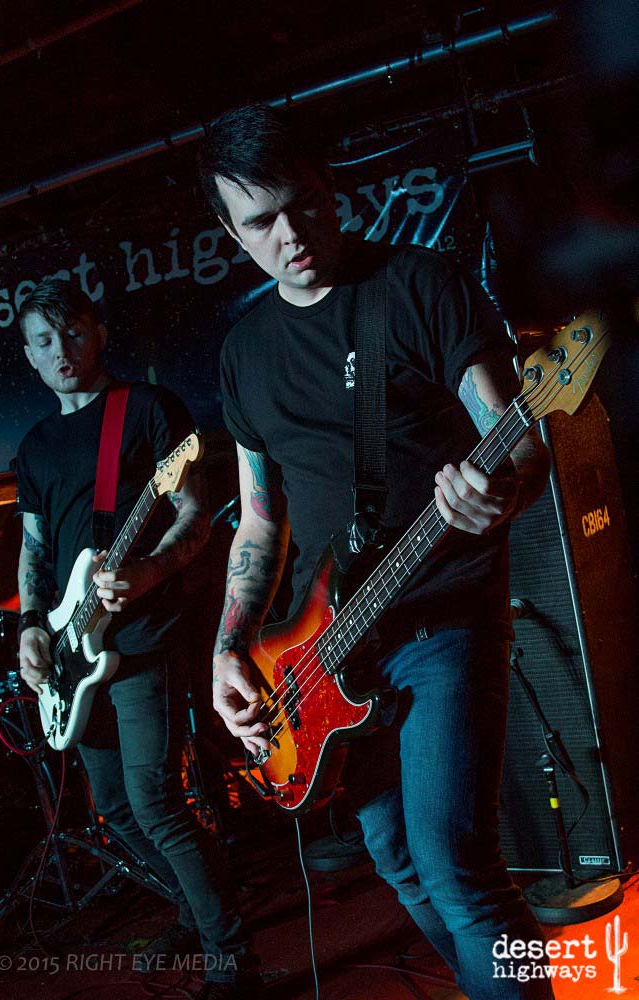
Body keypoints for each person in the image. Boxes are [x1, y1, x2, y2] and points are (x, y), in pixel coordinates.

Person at [197, 105, 555, 999]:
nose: (289, 235)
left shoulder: (418, 285)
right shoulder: (243, 353)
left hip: (442, 613)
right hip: (325, 648)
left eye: (303, 205)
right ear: (230, 234)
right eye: (260, 221)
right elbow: (258, 521)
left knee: (457, 866)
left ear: (330, 190)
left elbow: (517, 441)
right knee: (395, 859)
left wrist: (500, 491)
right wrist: (229, 645)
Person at [14, 278, 260, 999]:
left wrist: (150, 570)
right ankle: (192, 909)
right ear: (28, 355)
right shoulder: (35, 445)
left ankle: (231, 956)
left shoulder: (148, 409)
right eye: (43, 340)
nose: (61, 350)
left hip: (146, 636)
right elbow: (34, 549)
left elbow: (195, 514)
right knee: (116, 809)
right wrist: (31, 627)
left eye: (72, 331)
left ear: (99, 333)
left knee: (155, 802)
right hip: (74, 650)